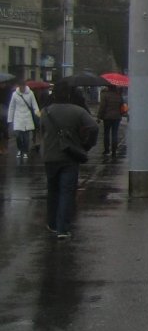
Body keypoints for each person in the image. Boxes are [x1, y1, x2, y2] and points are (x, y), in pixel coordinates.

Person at [40, 80, 98, 239]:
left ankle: (51, 224)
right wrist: (87, 145)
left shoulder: (45, 111)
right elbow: (94, 127)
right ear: (68, 94)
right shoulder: (78, 111)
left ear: (54, 95)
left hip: (50, 156)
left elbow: (42, 131)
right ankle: (63, 229)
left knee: (52, 190)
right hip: (70, 156)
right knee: (66, 191)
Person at [7, 79, 41, 160]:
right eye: (21, 86)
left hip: (27, 117)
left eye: (23, 86)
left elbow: (34, 105)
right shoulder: (15, 94)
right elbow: (12, 107)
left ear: (25, 86)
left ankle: (25, 151)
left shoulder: (30, 93)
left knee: (26, 136)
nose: (22, 88)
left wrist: (38, 115)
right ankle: (20, 149)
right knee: (18, 135)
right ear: (19, 86)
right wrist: (10, 119)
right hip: (18, 117)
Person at [96, 84, 125, 156]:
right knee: (115, 134)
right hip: (117, 117)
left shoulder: (105, 95)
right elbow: (122, 106)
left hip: (107, 117)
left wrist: (99, 117)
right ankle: (114, 150)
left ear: (108, 87)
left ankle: (106, 150)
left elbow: (102, 107)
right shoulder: (118, 95)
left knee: (106, 133)